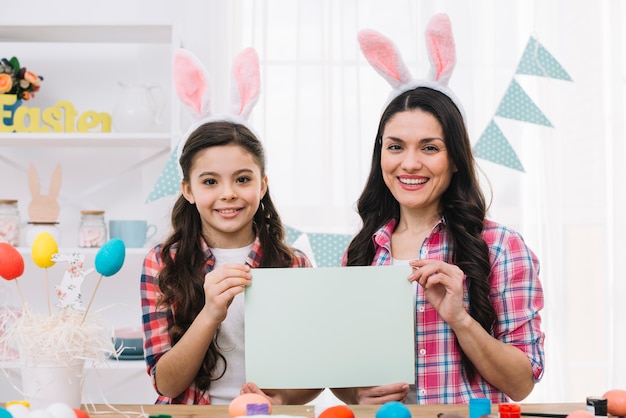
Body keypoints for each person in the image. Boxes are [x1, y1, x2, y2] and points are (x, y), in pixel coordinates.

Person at [332, 15, 544, 405]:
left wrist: (460, 318)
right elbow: (347, 379)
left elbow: (521, 383)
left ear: (456, 159)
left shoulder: (501, 247)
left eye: (429, 147)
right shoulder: (361, 252)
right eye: (395, 146)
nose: (409, 163)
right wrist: (357, 395)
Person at [140, 48, 322, 405]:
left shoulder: (294, 265)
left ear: (262, 185)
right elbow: (167, 384)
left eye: (242, 179)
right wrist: (211, 313)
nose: (228, 195)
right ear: (188, 190)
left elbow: (311, 377)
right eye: (210, 182)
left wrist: (280, 399)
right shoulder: (163, 263)